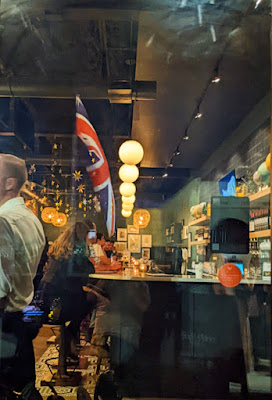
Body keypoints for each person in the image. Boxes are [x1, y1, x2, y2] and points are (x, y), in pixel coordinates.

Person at [0, 154, 45, 399]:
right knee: (23, 388)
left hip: (5, 326)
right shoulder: (32, 219)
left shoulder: (4, 220)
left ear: (9, 183)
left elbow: (0, 290)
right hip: (22, 321)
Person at [40, 221, 95, 354]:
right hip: (59, 305)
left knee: (80, 297)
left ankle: (68, 344)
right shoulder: (77, 251)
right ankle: (68, 335)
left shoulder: (58, 248)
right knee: (92, 299)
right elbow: (89, 269)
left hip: (45, 298)